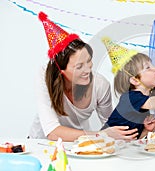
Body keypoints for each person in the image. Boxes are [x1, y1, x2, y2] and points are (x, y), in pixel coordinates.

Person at [28, 12, 138, 142]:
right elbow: (53, 132)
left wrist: (141, 124)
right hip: (42, 144)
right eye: (79, 66)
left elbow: (111, 125)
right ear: (61, 70)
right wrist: (101, 135)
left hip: (81, 143)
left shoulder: (100, 85)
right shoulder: (44, 76)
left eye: (89, 61)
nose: (88, 70)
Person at [101, 37, 155, 139]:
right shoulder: (131, 98)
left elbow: (135, 138)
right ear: (135, 80)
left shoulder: (143, 101)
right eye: (148, 67)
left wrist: (152, 127)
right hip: (103, 142)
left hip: (119, 148)